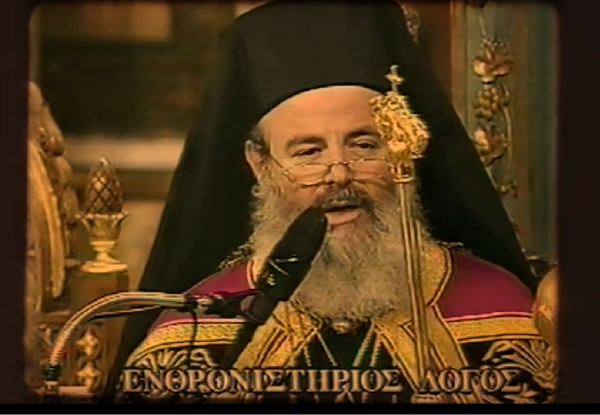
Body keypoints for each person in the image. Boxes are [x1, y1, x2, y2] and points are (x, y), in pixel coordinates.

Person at [105, 1, 556, 403]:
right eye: (308, 152)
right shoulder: (193, 336)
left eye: (364, 145)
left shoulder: (502, 317)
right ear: (260, 164)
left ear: (404, 153)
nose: (339, 174)